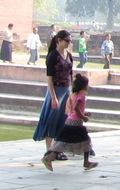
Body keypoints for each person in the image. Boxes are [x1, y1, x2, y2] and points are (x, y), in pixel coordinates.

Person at [41, 74, 97, 171]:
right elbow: (76, 108)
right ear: (84, 86)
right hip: (76, 124)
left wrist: (84, 113)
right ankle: (86, 162)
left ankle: (49, 158)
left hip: (69, 122)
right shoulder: (82, 96)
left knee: (63, 143)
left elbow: (75, 109)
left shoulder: (73, 95)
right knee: (86, 142)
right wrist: (83, 117)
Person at [33, 30, 73, 161]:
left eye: (69, 41)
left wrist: (72, 94)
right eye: (66, 41)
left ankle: (58, 150)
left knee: (63, 120)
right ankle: (49, 150)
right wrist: (54, 97)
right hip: (56, 90)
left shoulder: (69, 55)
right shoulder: (53, 56)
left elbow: (71, 75)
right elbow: (49, 78)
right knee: (51, 119)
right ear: (59, 40)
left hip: (66, 91)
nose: (68, 43)